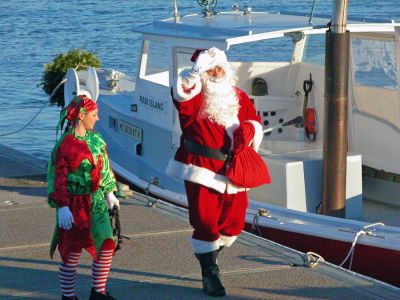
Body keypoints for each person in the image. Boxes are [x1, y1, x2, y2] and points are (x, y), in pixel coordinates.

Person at [166, 47, 269, 297]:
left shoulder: (239, 96)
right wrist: (195, 70)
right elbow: (182, 93)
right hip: (202, 169)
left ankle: (209, 255)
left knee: (233, 223)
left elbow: (255, 120)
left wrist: (251, 130)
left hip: (234, 169)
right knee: (205, 221)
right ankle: (210, 274)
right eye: (210, 69)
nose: (216, 73)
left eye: (219, 68)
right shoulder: (195, 98)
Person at [47, 94, 120, 300]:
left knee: (106, 243)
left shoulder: (96, 139)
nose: (97, 118)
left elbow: (104, 167)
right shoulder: (65, 145)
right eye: (94, 114)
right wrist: (62, 206)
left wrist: (110, 192)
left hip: (96, 201)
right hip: (73, 204)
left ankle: (98, 292)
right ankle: (68, 296)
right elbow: (56, 177)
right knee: (72, 252)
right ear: (81, 115)